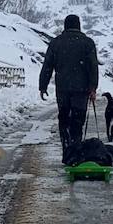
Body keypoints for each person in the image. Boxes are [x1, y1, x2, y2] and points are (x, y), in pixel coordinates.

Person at [39, 14, 99, 156]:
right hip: (81, 89)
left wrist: (43, 85)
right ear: (79, 25)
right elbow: (93, 67)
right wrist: (93, 87)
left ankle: (66, 150)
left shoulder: (56, 43)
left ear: (65, 26)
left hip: (63, 88)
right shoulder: (87, 43)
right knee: (78, 120)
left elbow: (47, 65)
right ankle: (76, 148)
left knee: (64, 118)